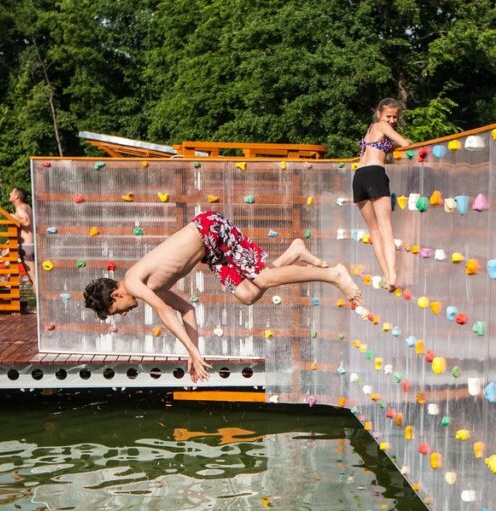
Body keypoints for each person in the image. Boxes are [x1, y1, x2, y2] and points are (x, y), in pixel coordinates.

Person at [83, 211, 362, 383]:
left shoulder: (133, 280)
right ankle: (294, 253)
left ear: (116, 294)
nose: (124, 313)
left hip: (210, 228)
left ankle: (334, 275)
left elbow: (165, 313)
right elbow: (186, 310)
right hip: (210, 251)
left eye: (117, 310)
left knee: (262, 278)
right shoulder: (150, 288)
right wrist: (196, 353)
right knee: (247, 294)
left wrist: (190, 351)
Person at [353, 98, 411, 291]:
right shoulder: (381, 126)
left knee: (374, 231)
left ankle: (386, 275)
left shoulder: (371, 131)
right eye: (389, 116)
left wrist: (393, 147)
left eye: (395, 117)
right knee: (385, 227)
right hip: (375, 175)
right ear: (379, 114)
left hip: (359, 178)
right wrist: (408, 144)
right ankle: (393, 274)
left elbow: (384, 148)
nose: (392, 120)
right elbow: (403, 141)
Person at [8, 187, 35, 285]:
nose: (10, 193)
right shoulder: (27, 207)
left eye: (12, 192)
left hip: (27, 246)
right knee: (33, 278)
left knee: (34, 278)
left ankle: (41, 299)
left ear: (16, 196)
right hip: (32, 245)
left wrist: (12, 216)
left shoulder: (20, 208)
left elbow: (26, 221)